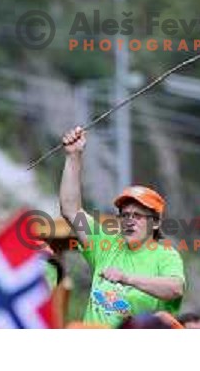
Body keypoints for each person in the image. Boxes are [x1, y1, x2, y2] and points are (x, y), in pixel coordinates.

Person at [59, 126, 185, 328]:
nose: (129, 220)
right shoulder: (105, 243)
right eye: (125, 215)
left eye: (138, 215)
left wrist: (127, 278)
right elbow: (70, 210)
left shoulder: (166, 256)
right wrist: (73, 156)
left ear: (156, 222)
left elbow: (175, 288)